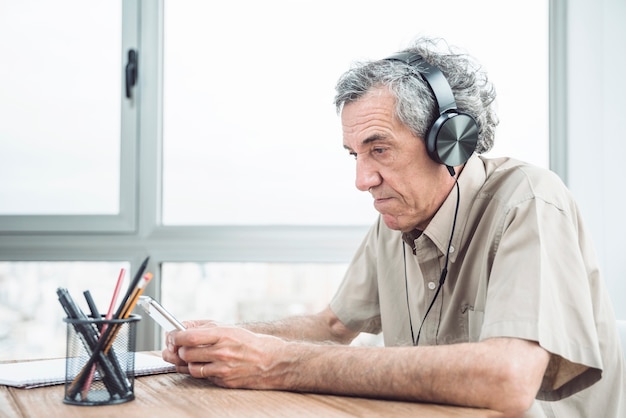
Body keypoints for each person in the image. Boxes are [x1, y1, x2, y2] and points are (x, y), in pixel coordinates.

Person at [162, 37, 625, 417]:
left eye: (379, 150)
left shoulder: (530, 201)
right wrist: (226, 339)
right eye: (355, 155)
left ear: (450, 144)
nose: (362, 180)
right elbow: (332, 324)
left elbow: (509, 378)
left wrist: (279, 364)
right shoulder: (397, 217)